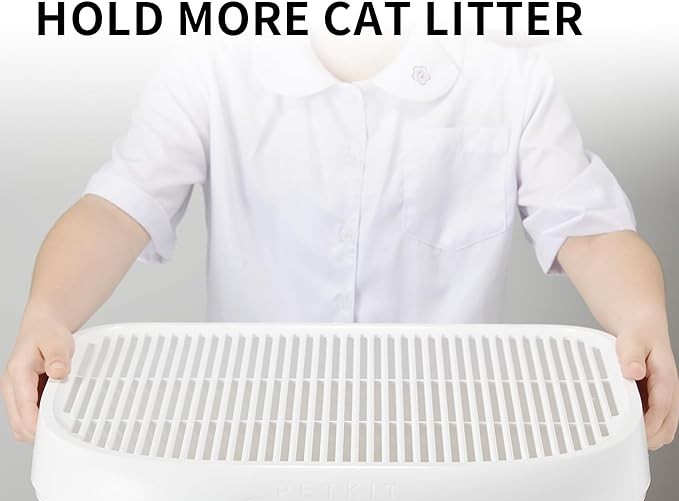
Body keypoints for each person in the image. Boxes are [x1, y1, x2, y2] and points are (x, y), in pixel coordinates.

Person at [2, 30, 677, 449]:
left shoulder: (508, 76)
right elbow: (117, 209)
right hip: (254, 438)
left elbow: (588, 232)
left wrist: (642, 318)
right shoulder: (212, 63)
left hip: (447, 442)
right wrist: (48, 311)